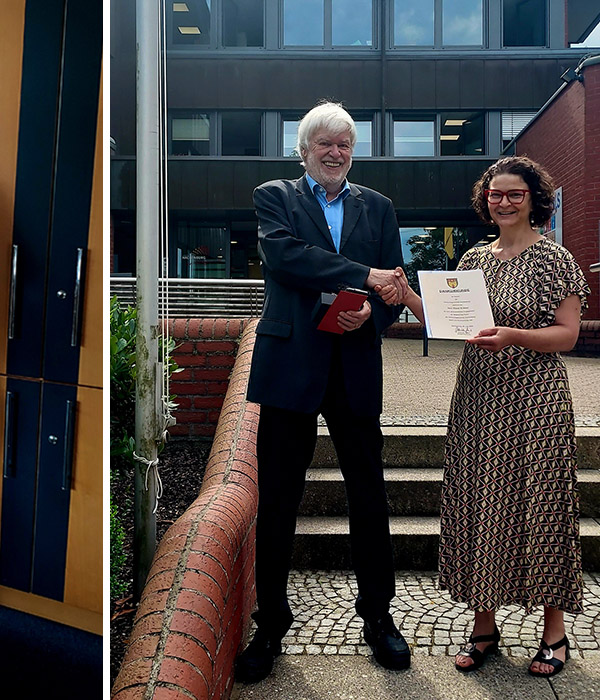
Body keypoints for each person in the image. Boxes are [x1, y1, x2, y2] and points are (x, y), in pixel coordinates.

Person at [378, 156, 589, 678]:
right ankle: (484, 626)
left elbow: (568, 335)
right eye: (496, 194)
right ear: (485, 199)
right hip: (478, 398)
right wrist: (408, 296)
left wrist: (513, 336)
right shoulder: (474, 259)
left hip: (537, 400)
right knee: (481, 504)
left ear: (533, 198)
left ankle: (554, 632)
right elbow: (454, 323)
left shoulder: (555, 259)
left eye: (515, 193)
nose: (504, 201)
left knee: (543, 505)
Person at [235, 101, 410, 683]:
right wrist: (361, 278)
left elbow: (395, 284)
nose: (335, 154)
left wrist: (373, 316)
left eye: (345, 145)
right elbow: (286, 259)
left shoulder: (379, 207)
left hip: (355, 367)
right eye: (324, 144)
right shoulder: (274, 196)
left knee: (369, 496)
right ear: (303, 148)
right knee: (279, 498)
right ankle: (271, 623)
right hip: (291, 367)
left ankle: (378, 617)